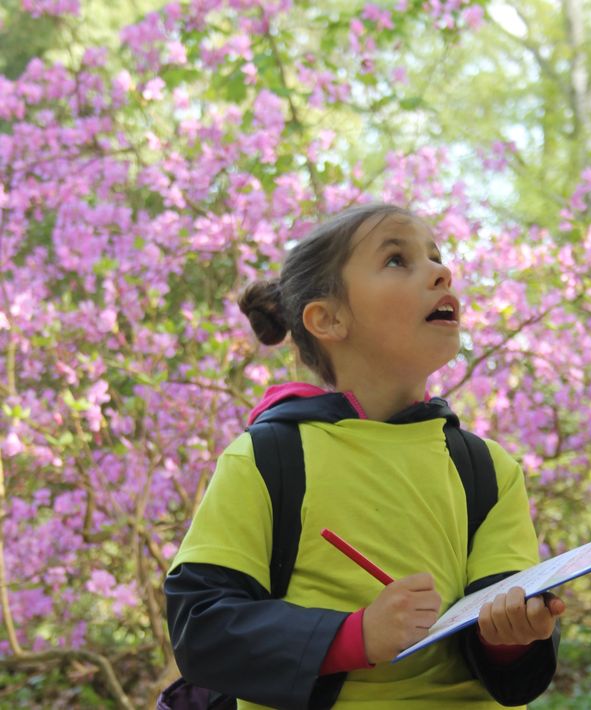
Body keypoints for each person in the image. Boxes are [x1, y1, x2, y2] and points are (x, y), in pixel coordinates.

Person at [165, 203, 565, 709]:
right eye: (398, 259)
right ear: (328, 319)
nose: (442, 273)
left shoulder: (489, 470)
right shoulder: (266, 459)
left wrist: (511, 635)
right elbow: (200, 625)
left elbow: (503, 649)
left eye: (437, 257)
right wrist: (355, 637)